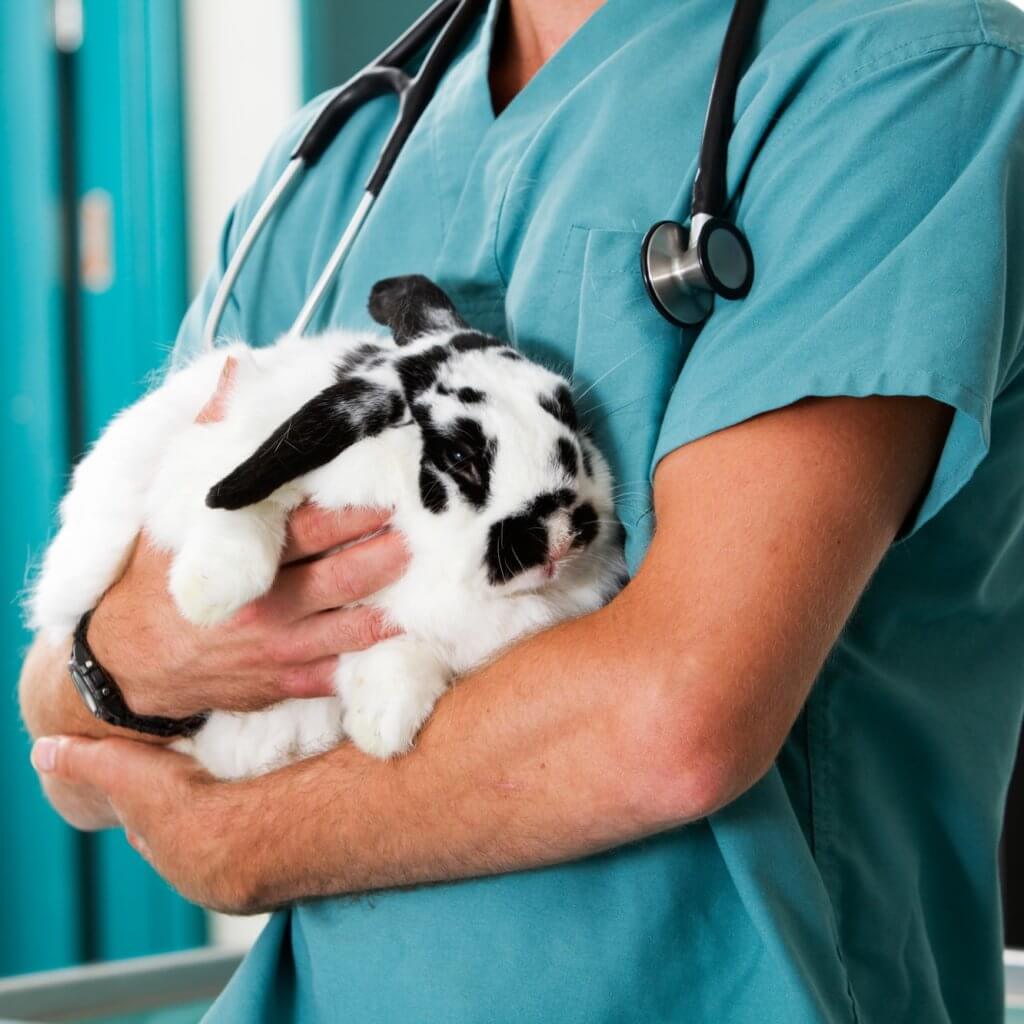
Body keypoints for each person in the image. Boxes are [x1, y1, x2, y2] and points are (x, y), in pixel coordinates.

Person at [17, 0, 1024, 1020]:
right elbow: (57, 728)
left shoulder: (897, 76)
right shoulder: (335, 159)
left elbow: (673, 718)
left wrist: (237, 842)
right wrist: (131, 653)